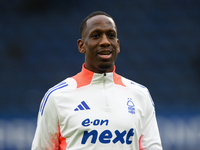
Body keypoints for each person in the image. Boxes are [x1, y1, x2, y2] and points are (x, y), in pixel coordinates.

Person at [31, 11, 163, 150]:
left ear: (117, 45)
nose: (105, 41)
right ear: (82, 46)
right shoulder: (57, 97)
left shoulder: (140, 95)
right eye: (96, 36)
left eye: (111, 36)